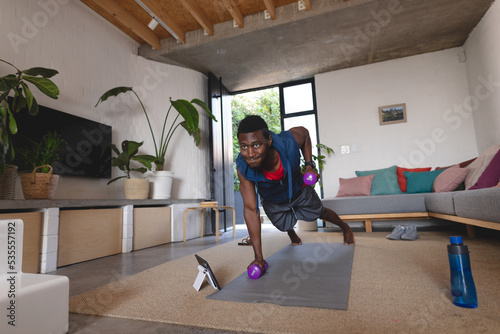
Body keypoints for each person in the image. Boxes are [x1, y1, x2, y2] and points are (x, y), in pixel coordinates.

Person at [236, 115, 355, 271]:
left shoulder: (288, 142)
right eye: (244, 146)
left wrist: (309, 165)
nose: (250, 153)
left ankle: (345, 227)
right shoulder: (243, 167)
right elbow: (251, 211)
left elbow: (305, 133)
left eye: (256, 145)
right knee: (283, 225)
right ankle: (291, 232)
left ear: (269, 141)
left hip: (298, 189)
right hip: (273, 199)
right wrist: (258, 259)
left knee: (320, 212)